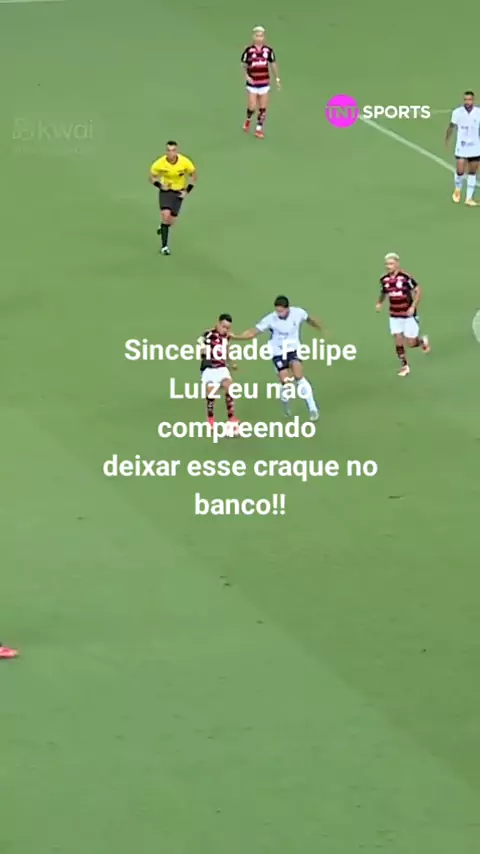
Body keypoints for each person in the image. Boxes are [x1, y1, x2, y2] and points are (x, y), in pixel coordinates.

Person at [231, 296, 321, 420]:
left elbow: (309, 319)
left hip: (293, 349)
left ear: (287, 309)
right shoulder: (270, 319)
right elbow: (253, 332)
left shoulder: (298, 313)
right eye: (277, 311)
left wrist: (320, 328)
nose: (279, 314)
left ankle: (312, 408)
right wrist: (236, 337)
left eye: (281, 311)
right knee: (285, 382)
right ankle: (285, 404)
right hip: (278, 352)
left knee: (299, 376)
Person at [376, 253, 430, 377]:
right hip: (394, 315)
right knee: (398, 341)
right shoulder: (384, 279)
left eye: (391, 264)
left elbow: (418, 290)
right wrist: (379, 303)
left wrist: (413, 306)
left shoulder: (405, 278)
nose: (388, 266)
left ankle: (421, 341)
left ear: (397, 264)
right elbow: (384, 292)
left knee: (411, 343)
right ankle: (404, 366)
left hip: (408, 315)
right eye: (387, 264)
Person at [149, 140, 197, 255]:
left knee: (171, 221)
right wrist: (160, 186)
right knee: (166, 215)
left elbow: (193, 175)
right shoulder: (159, 163)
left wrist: (187, 191)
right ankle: (164, 247)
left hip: (179, 192)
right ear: (166, 151)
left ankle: (163, 226)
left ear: (177, 151)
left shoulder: (185, 162)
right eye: (169, 151)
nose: (171, 153)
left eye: (173, 150)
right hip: (166, 192)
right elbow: (152, 177)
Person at [241, 26, 280, 139]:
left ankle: (258, 129)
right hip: (252, 84)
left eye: (261, 36)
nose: (259, 38)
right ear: (253, 37)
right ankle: (248, 119)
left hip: (264, 83)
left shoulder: (268, 51)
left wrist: (277, 79)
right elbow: (244, 64)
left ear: (264, 37)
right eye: (257, 35)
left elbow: (273, 64)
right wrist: (247, 76)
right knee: (252, 106)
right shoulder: (248, 51)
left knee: (263, 108)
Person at [200, 314, 239, 427]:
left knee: (230, 387)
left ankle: (231, 417)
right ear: (218, 324)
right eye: (223, 326)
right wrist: (203, 350)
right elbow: (200, 344)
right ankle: (210, 417)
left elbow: (226, 350)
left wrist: (231, 363)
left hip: (222, 368)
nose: (225, 329)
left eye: (227, 328)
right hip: (209, 368)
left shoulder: (226, 337)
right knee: (211, 394)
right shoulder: (208, 334)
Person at [446, 91, 480, 206]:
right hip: (462, 145)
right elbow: (451, 126)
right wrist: (447, 140)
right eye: (465, 99)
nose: (467, 102)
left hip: (475, 146)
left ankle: (469, 198)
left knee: (472, 172)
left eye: (469, 99)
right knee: (460, 170)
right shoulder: (457, 112)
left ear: (473, 100)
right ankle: (457, 189)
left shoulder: (478, 113)